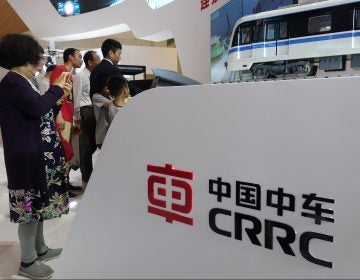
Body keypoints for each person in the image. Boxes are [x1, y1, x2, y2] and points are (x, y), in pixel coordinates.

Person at [0, 33, 72, 280]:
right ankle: (27, 260)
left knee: (39, 204)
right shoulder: (13, 82)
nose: (42, 60)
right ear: (26, 55)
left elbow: (41, 110)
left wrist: (57, 96)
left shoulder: (23, 81)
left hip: (36, 154)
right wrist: (56, 89)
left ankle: (40, 249)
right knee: (29, 208)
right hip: (26, 157)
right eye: (38, 55)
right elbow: (37, 107)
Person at [50, 48, 83, 163]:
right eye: (79, 56)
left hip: (69, 116)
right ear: (70, 57)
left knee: (67, 149)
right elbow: (55, 93)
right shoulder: (60, 70)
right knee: (63, 149)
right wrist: (59, 115)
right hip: (63, 115)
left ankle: (65, 178)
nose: (81, 60)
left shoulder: (70, 74)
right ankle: (61, 179)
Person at [73, 50, 100, 188]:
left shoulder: (94, 75)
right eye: (97, 59)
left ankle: (88, 173)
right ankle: (86, 178)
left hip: (93, 110)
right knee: (85, 146)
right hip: (85, 111)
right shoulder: (80, 76)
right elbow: (76, 97)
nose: (99, 62)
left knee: (93, 144)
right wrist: (77, 117)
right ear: (90, 62)